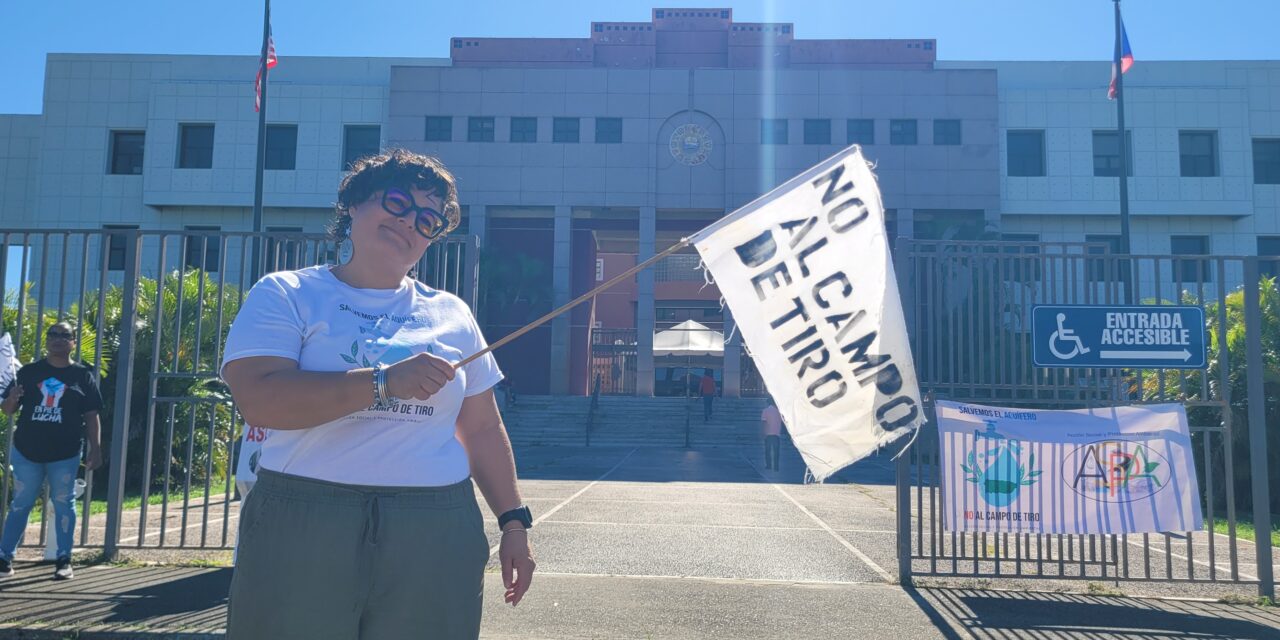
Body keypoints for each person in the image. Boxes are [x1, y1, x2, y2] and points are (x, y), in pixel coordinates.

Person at [220, 150, 535, 639]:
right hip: (305, 517)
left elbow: (482, 428)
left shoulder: (451, 313)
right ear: (353, 204)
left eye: (428, 220)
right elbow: (260, 400)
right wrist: (383, 383)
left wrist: (514, 522)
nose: (410, 222)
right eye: (397, 203)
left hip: (435, 524)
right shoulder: (287, 293)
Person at [0, 321, 103, 580]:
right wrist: (11, 398)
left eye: (64, 335)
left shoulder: (82, 376)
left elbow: (92, 415)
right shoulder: (28, 373)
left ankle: (64, 559)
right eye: (53, 334)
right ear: (46, 340)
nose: (57, 339)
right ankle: (5, 556)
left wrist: (96, 448)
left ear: (73, 342)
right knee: (20, 504)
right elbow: (9, 409)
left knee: (64, 504)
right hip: (27, 451)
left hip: (65, 453)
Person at [760, 397, 783, 471]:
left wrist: (763, 432)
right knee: (776, 451)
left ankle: (769, 465)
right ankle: (776, 467)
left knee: (768, 450)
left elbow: (764, 422)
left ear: (768, 403)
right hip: (776, 434)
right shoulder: (779, 412)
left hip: (768, 434)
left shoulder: (765, 411)